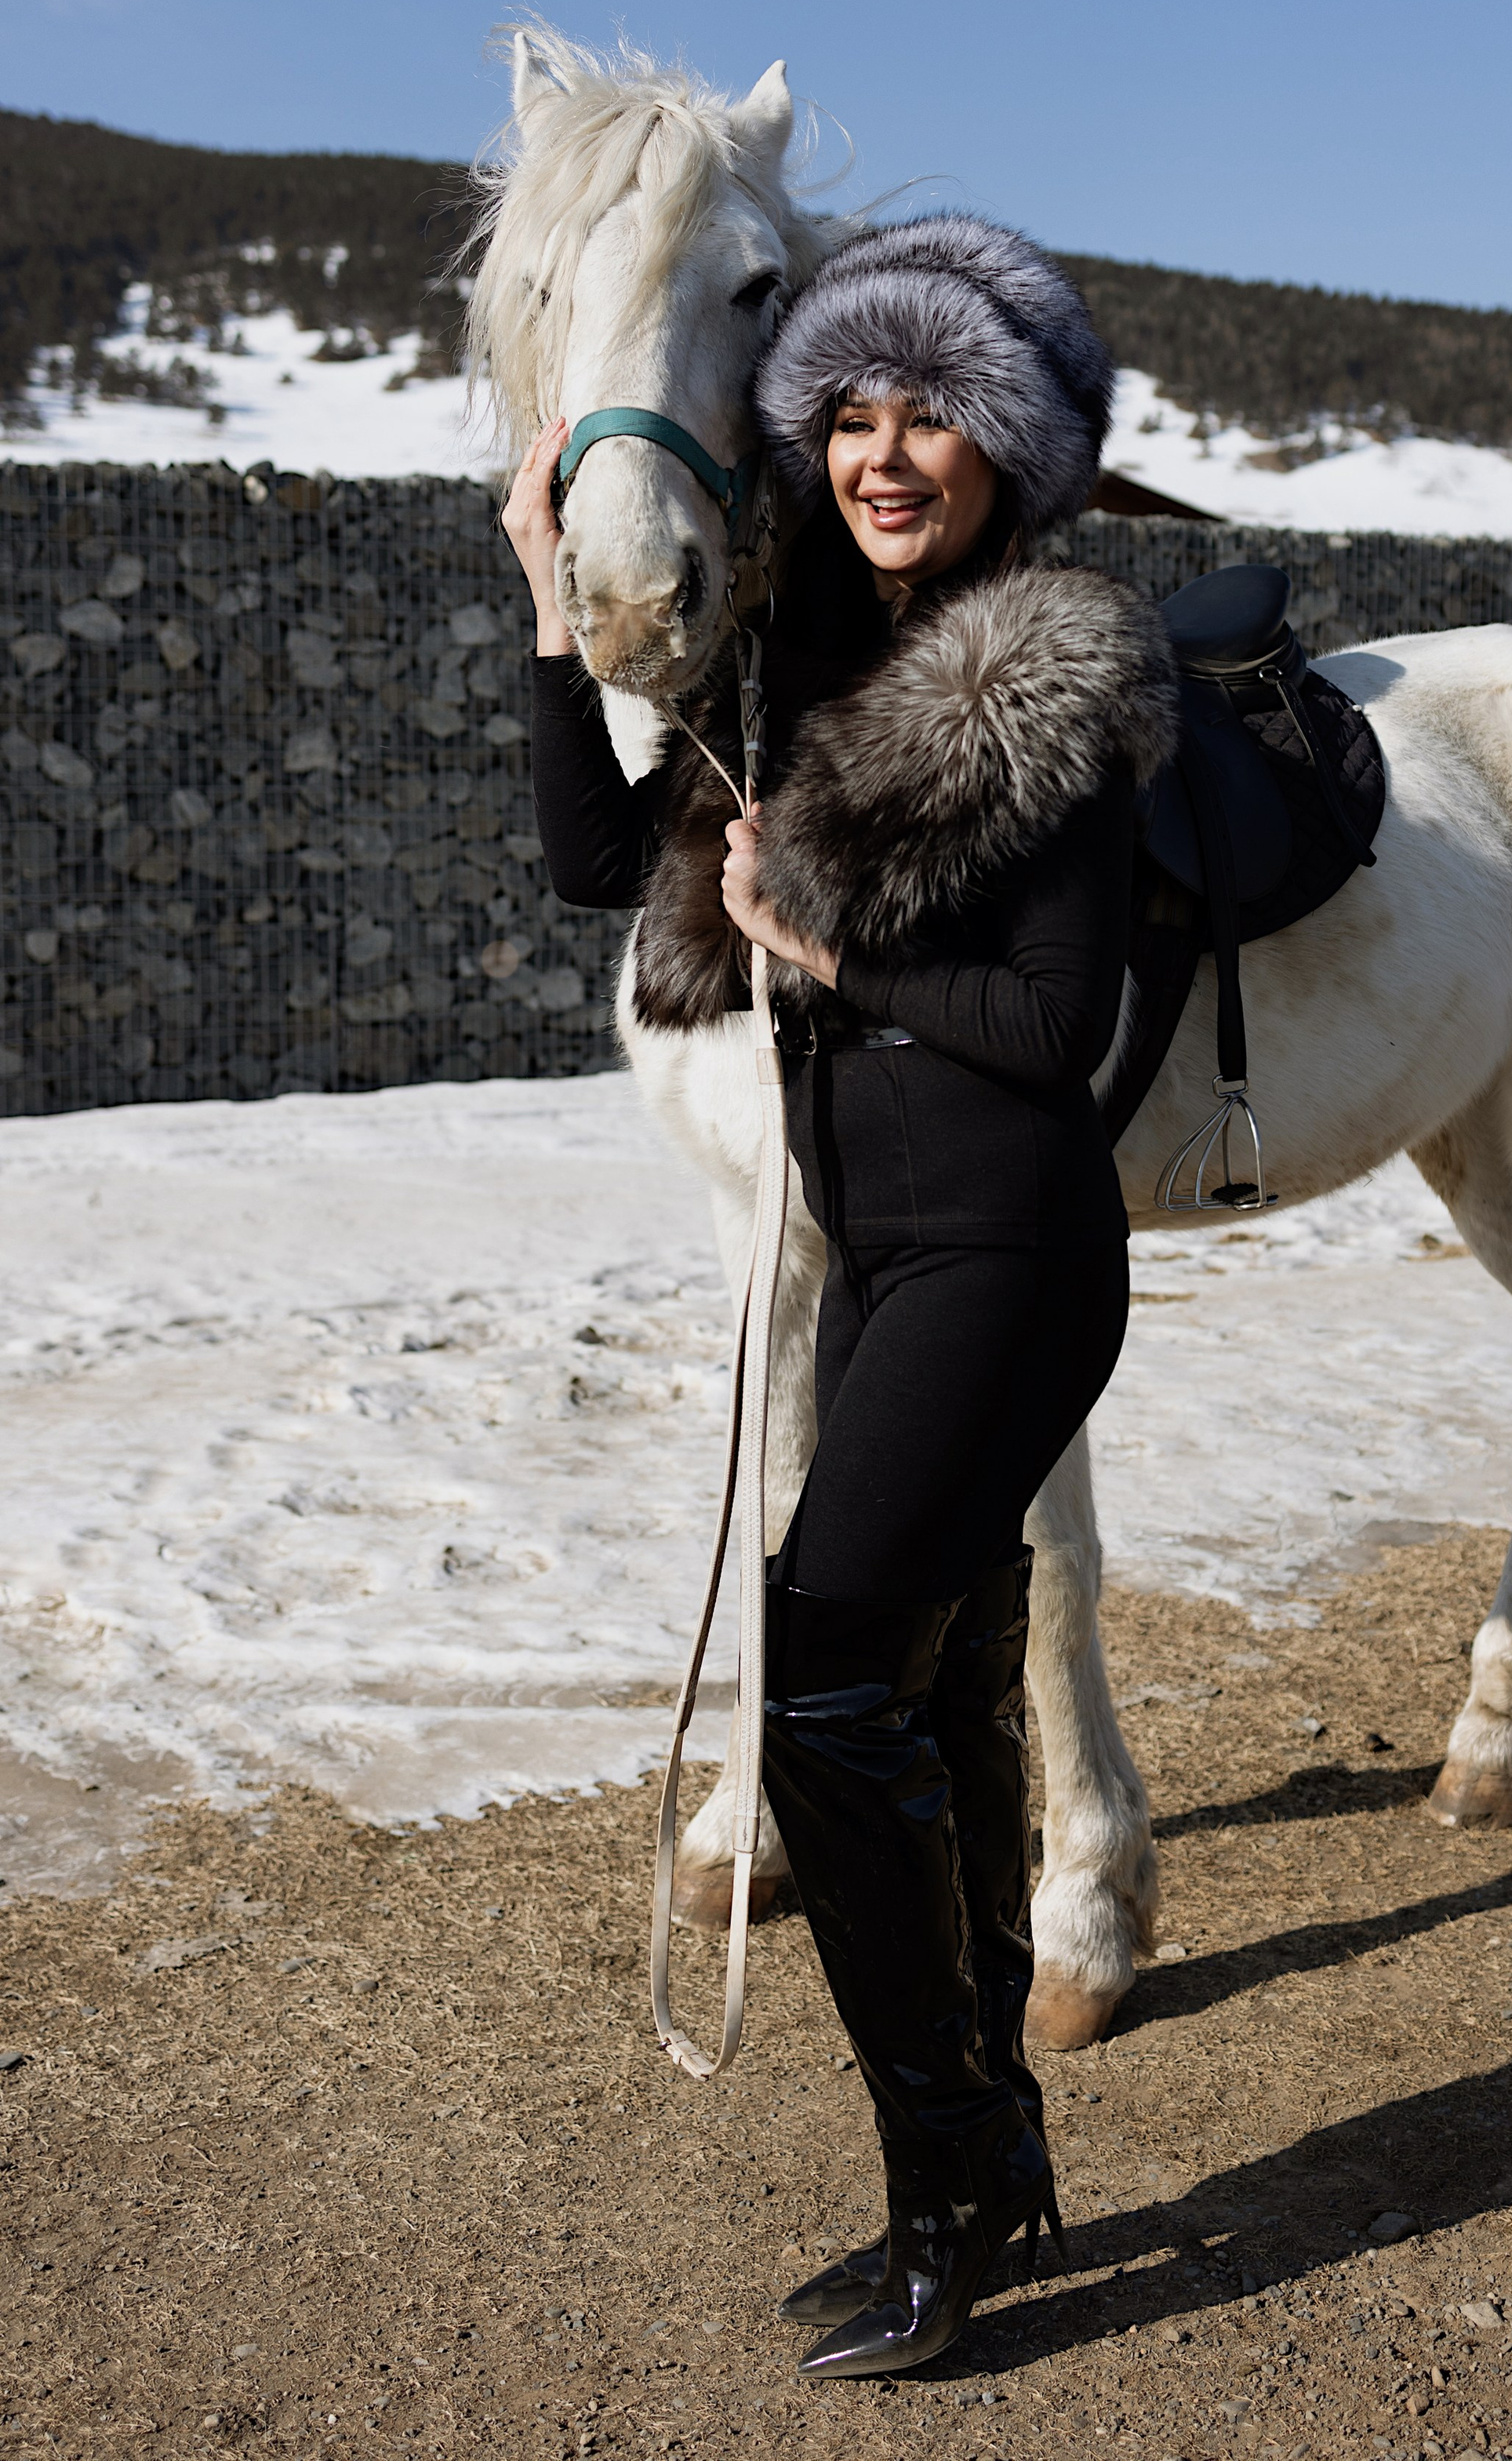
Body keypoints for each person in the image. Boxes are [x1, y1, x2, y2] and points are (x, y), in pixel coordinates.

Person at [503, 218, 1178, 2379]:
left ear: (1009, 443)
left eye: (936, 416)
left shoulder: (1049, 669)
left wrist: (822, 942)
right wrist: (549, 618)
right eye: (856, 413)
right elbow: (600, 870)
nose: (890, 455)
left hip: (1014, 1248)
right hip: (888, 1254)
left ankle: (955, 2177)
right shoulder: (792, 659)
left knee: (816, 1685)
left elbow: (1060, 1027)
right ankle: (1003, 2150)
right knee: (949, 1677)